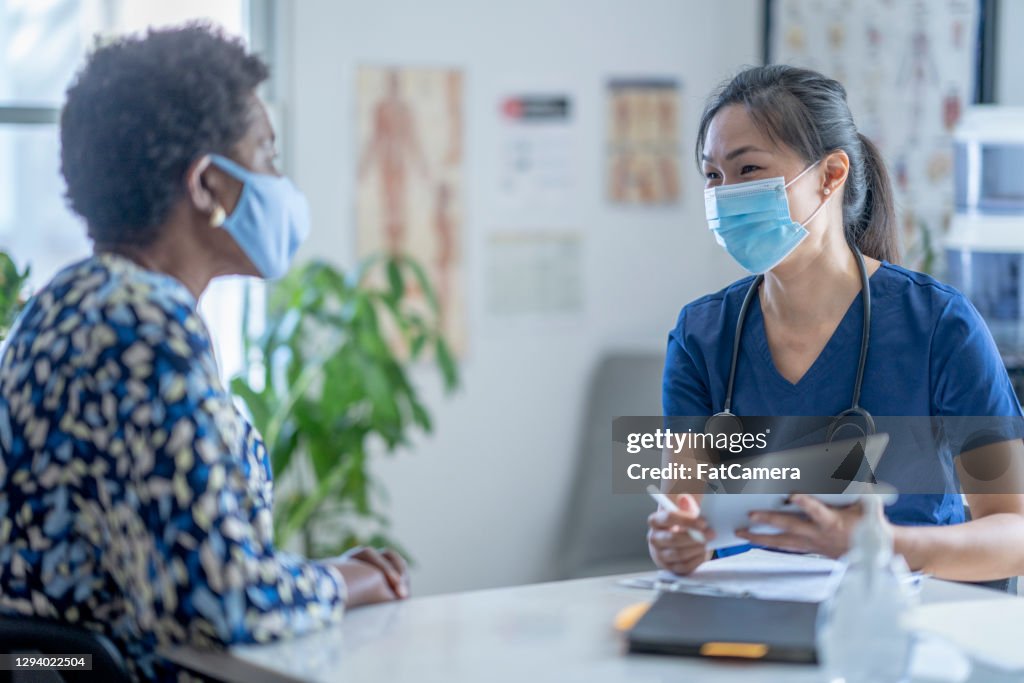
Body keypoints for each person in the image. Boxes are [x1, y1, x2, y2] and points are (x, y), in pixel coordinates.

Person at [0, 24, 408, 681]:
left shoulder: (63, 304)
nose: (281, 182)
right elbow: (223, 601)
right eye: (267, 156)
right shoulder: (142, 329)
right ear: (208, 186)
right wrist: (347, 578)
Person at [648, 65, 1024, 583]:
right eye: (713, 176)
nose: (725, 194)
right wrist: (675, 543)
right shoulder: (701, 336)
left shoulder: (938, 325)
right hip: (752, 628)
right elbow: (682, 515)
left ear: (830, 175)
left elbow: (1014, 530)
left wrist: (881, 543)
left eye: (749, 170)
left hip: (902, 620)